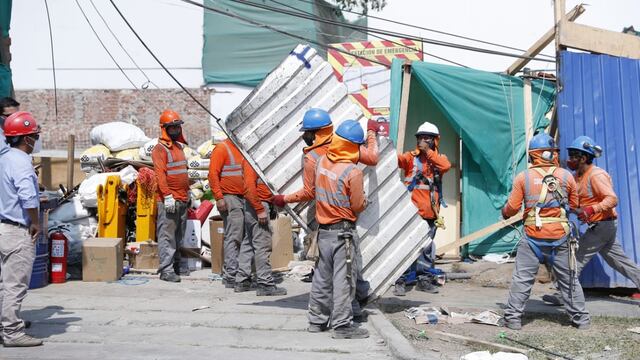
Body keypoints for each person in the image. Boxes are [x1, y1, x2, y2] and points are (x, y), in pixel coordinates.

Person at [271, 109, 380, 316]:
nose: (304, 136)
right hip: (347, 221)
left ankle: (325, 317)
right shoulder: (348, 146)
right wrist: (372, 132)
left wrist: (283, 199)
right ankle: (352, 306)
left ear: (316, 133)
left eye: (307, 132)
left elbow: (308, 192)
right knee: (346, 268)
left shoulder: (315, 157)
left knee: (329, 272)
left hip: (326, 220)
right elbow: (373, 157)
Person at [501, 133, 590, 330]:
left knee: (522, 279)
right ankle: (581, 320)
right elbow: (574, 204)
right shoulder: (566, 176)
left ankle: (513, 319)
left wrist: (504, 212)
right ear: (553, 153)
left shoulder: (523, 177)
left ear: (533, 155)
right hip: (560, 236)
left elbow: (512, 209)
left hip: (533, 237)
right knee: (569, 280)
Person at [542, 136, 640, 305]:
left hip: (602, 225)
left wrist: (590, 210)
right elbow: (577, 200)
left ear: (584, 158)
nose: (570, 159)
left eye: (574, 156)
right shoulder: (577, 176)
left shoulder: (596, 175)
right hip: (604, 226)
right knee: (619, 262)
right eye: (570, 155)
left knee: (575, 259)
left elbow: (612, 199)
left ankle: (564, 295)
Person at [297, 119, 369, 339]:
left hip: (324, 232)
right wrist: (365, 201)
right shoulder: (352, 172)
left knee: (321, 278)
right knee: (344, 280)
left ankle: (316, 322)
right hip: (343, 234)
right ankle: (342, 326)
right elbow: (357, 205)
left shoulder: (322, 163)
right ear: (353, 145)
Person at [393, 121, 451, 296]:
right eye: (420, 137)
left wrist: (428, 152)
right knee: (405, 247)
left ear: (435, 141)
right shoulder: (411, 158)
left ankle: (424, 280)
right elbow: (396, 160)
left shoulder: (440, 159)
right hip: (410, 213)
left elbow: (445, 166)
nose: (423, 140)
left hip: (430, 213)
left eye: (427, 138)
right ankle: (400, 280)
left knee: (426, 248)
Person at [0, 111, 43, 347]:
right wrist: (35, 222)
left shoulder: (4, 158)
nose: (35, 141)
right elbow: (28, 198)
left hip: (2, 227)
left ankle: (3, 326)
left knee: (3, 284)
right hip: (18, 230)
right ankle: (13, 333)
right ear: (26, 138)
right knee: (15, 285)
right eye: (33, 137)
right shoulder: (21, 162)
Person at [234, 159, 287, 296]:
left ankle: (242, 280)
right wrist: (260, 209)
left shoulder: (256, 161)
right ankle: (265, 283)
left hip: (256, 204)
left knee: (249, 243)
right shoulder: (252, 162)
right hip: (257, 205)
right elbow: (249, 188)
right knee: (262, 245)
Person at [152, 109, 190, 283]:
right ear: (164, 129)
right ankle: (166, 270)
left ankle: (175, 265)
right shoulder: (160, 149)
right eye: (172, 127)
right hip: (169, 200)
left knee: (178, 235)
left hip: (182, 198)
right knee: (167, 236)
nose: (175, 130)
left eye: (177, 127)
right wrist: (167, 196)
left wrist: (188, 193)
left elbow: (182, 172)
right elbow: (160, 175)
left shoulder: (179, 147)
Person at [208, 137, 246, 288]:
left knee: (242, 235)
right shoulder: (223, 148)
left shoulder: (243, 148)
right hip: (230, 197)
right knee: (234, 235)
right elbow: (212, 174)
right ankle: (231, 274)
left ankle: (240, 272)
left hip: (244, 196)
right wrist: (218, 197)